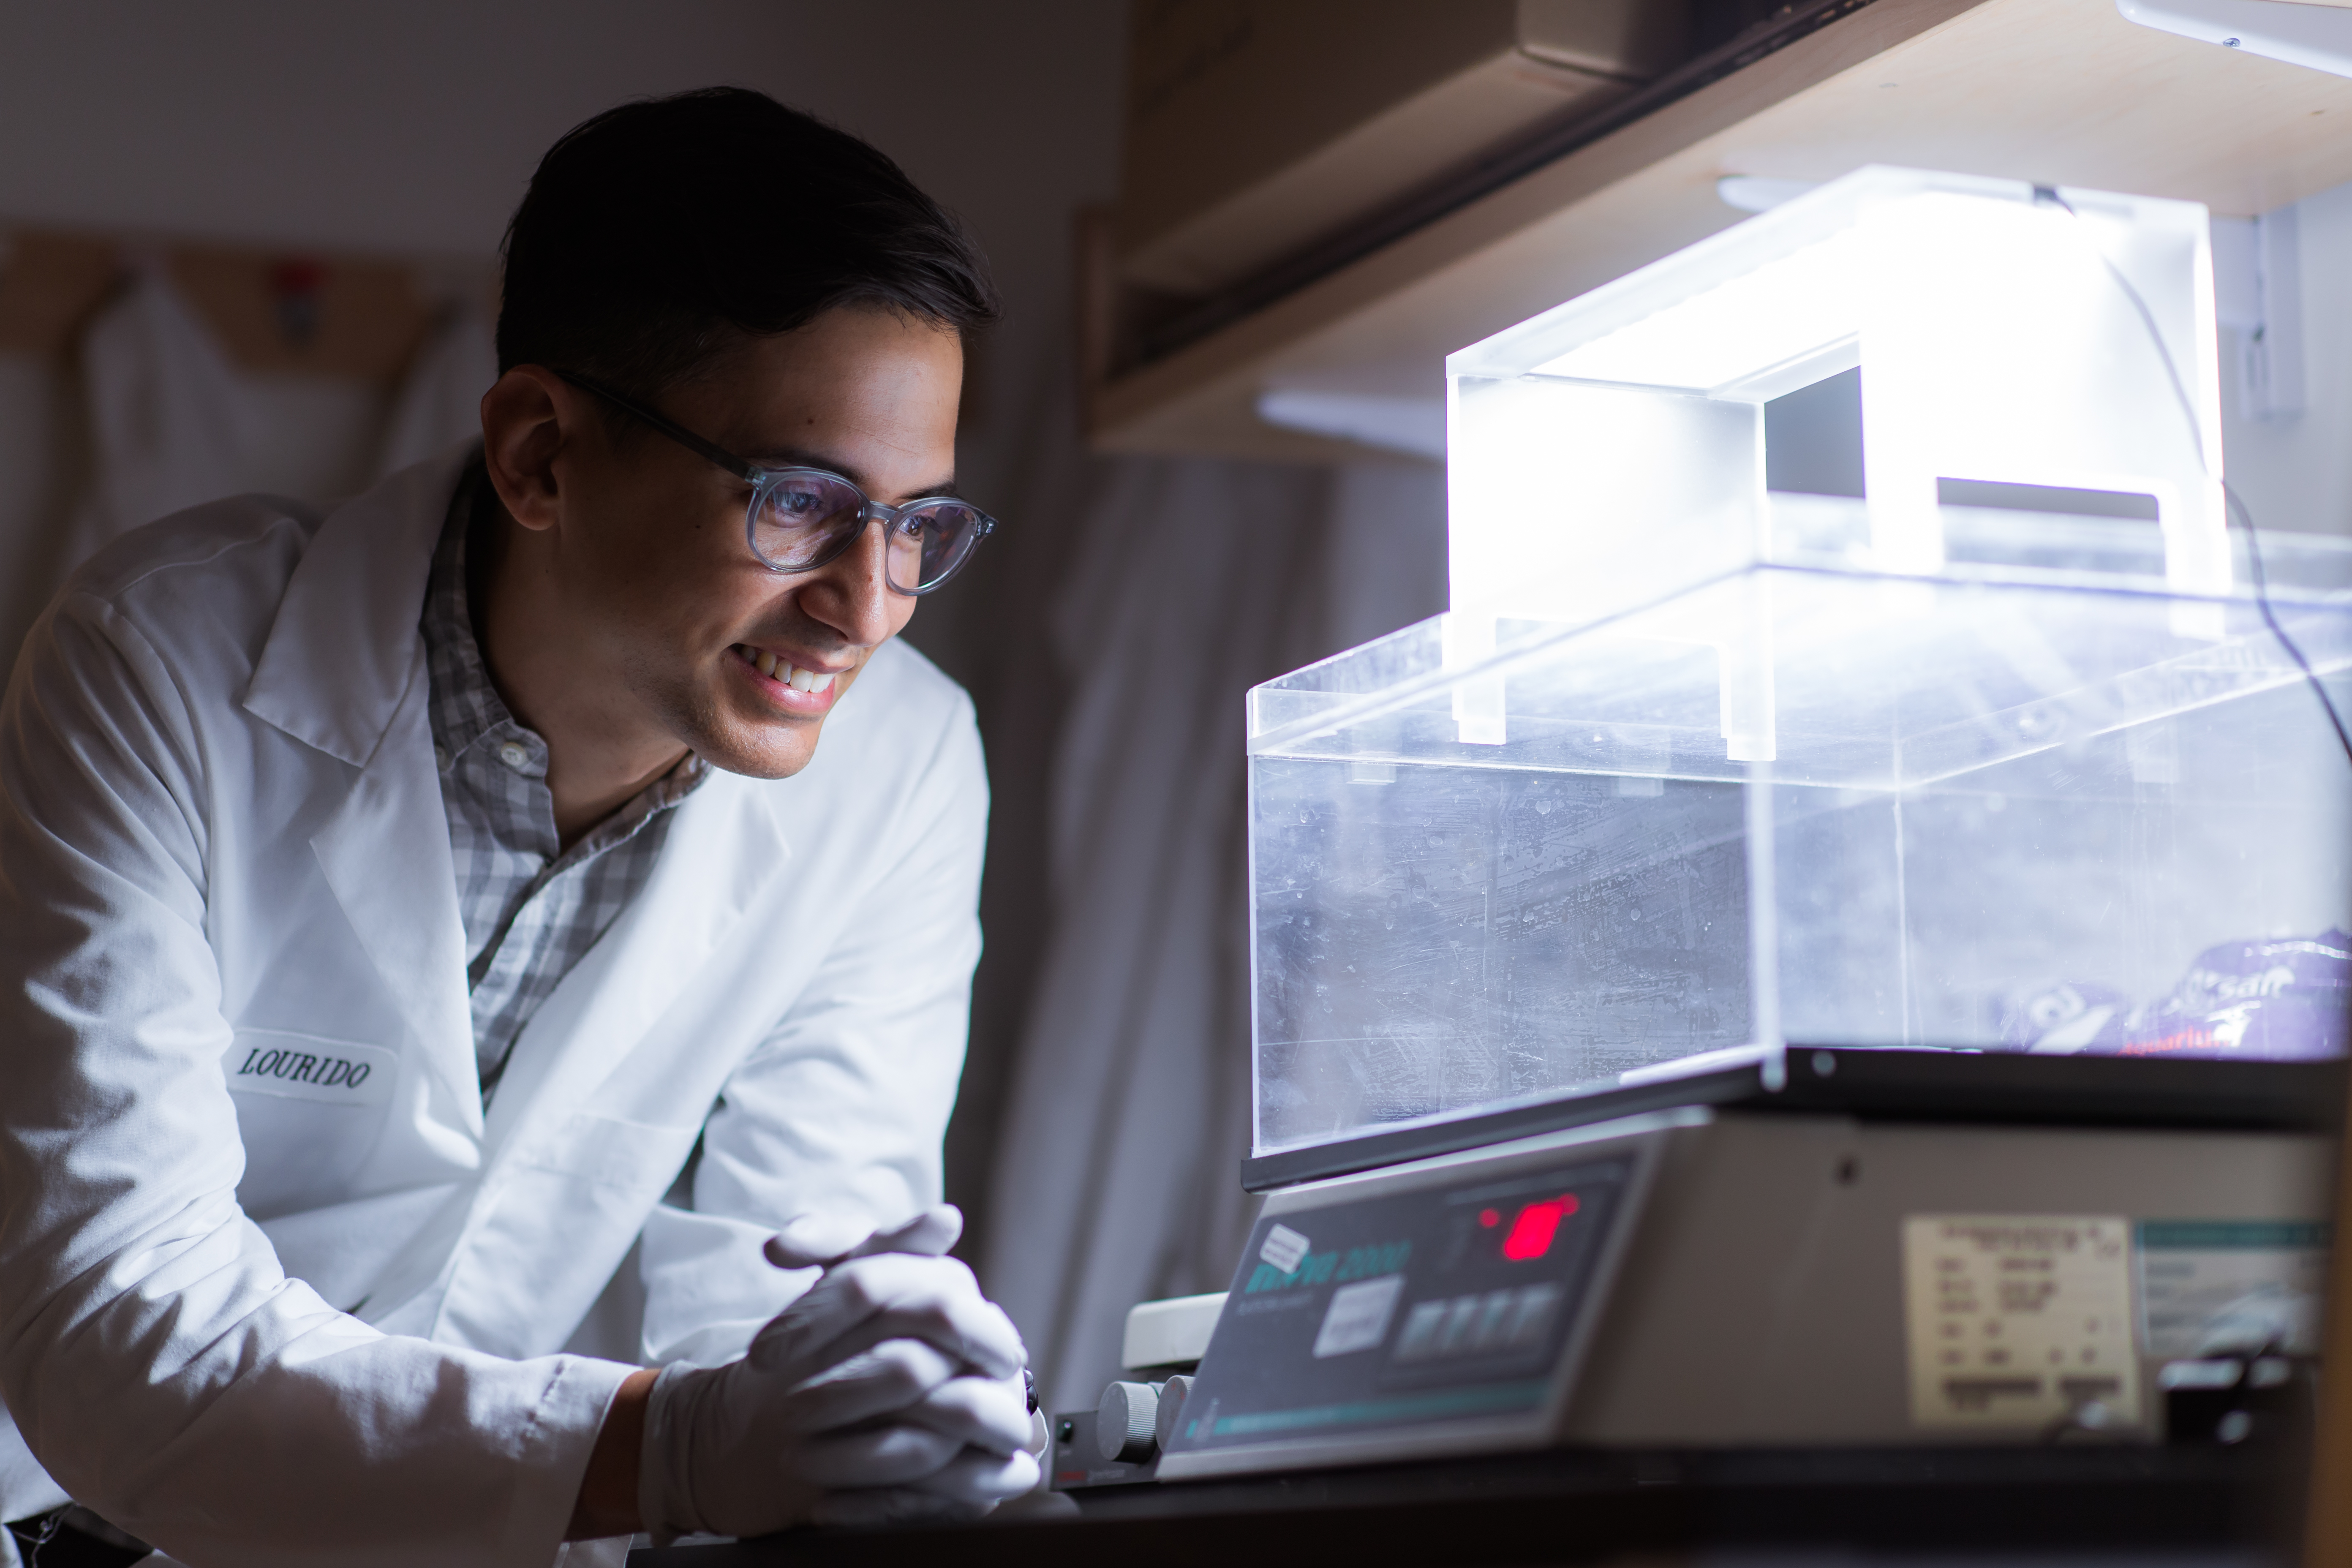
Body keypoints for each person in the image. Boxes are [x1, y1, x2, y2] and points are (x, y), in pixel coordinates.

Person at [0, 88, 1039, 1566]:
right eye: (801, 503)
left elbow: (783, 1292)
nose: (867, 608)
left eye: (919, 523)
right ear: (540, 452)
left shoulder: (908, 762)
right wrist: (679, 1444)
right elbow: (118, 1328)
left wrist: (876, 1397)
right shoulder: (161, 662)